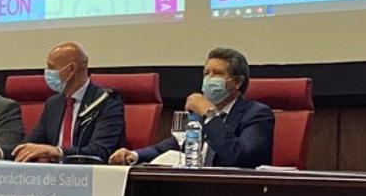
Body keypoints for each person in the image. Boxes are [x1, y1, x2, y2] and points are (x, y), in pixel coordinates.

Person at [109, 47, 274, 168]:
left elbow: (239, 157)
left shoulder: (257, 114)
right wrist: (135, 155)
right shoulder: (199, 117)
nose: (209, 79)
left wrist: (210, 115)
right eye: (206, 73)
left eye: (217, 74)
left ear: (237, 82)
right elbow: (172, 145)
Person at [13, 42, 125, 163]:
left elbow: (99, 151)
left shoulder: (106, 101)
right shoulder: (53, 103)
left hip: (89, 176)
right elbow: (29, 145)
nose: (47, 72)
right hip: (51, 175)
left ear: (71, 69)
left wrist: (58, 152)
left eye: (51, 67)